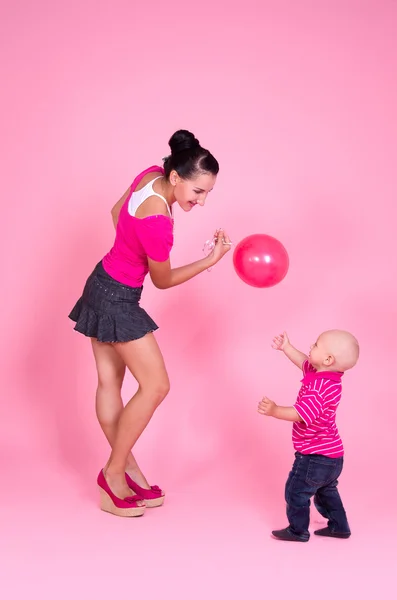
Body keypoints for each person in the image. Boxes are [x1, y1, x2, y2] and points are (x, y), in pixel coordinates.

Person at [69, 130, 231, 517]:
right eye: (198, 192)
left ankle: (128, 470)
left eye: (208, 193)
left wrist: (129, 249)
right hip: (119, 299)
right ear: (176, 178)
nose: (202, 201)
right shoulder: (160, 222)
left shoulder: (148, 176)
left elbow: (115, 214)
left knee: (110, 383)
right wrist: (210, 261)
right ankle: (112, 475)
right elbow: (162, 280)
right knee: (156, 385)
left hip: (100, 281)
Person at [258, 330, 359, 541]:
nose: (310, 347)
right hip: (333, 456)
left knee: (296, 491)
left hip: (315, 457)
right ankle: (339, 526)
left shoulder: (318, 389)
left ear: (328, 359)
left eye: (315, 345)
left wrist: (275, 410)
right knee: (326, 492)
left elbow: (300, 414)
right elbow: (304, 361)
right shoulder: (325, 377)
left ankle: (298, 531)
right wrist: (287, 347)